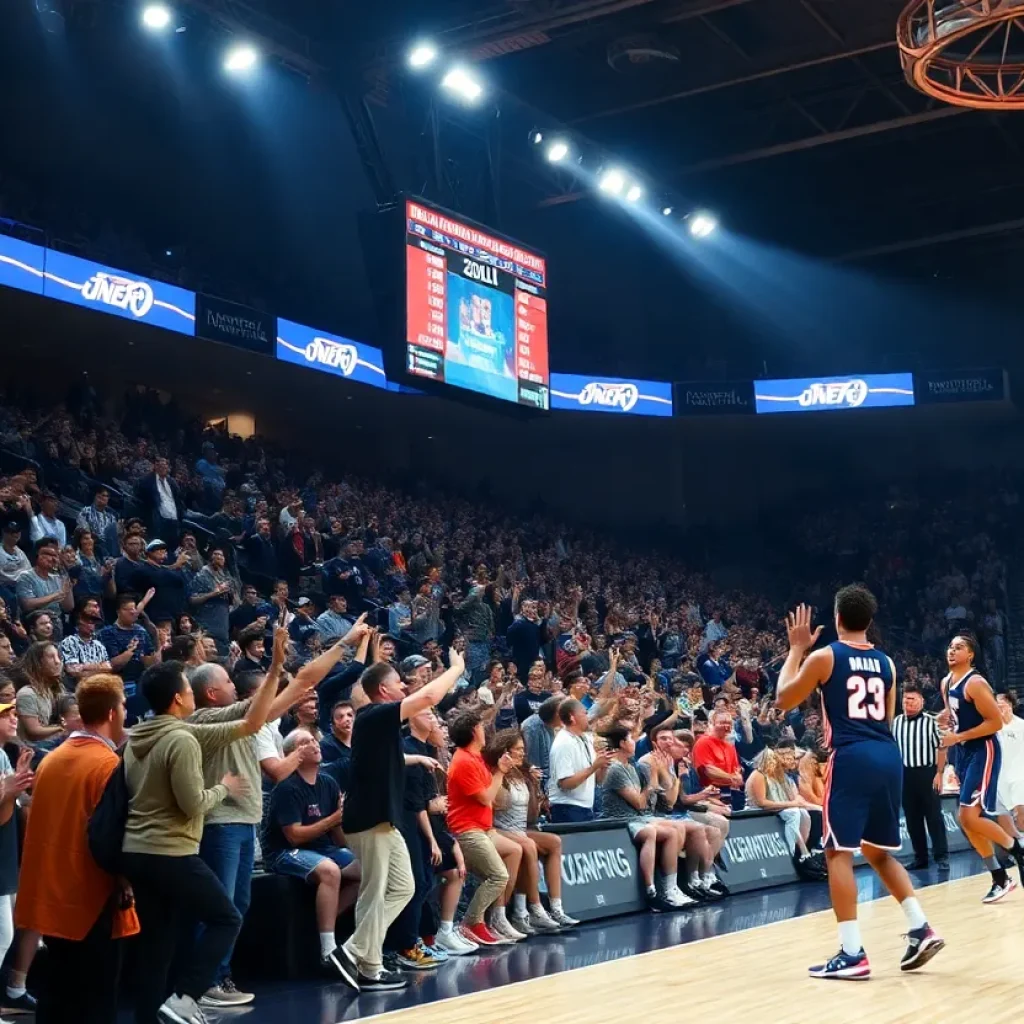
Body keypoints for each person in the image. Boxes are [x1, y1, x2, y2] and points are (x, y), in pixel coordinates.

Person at [776, 590, 944, 980]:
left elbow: (784, 699)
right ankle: (920, 927)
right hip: (888, 754)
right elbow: (885, 716)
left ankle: (852, 952)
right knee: (878, 851)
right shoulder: (887, 662)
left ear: (837, 618)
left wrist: (795, 649)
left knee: (838, 852)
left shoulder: (826, 656)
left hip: (851, 755)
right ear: (870, 620)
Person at [120, 658, 279, 1024]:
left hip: (136, 850)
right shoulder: (182, 738)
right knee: (226, 917)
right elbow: (192, 803)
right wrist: (223, 788)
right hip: (171, 849)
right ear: (178, 698)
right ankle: (189, 995)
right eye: (189, 690)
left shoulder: (136, 738)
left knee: (157, 942)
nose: (192, 695)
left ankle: (150, 1014)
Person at [334, 644, 467, 992]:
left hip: (383, 818)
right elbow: (429, 696)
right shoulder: (375, 715)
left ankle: (360, 955)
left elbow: (381, 761)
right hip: (370, 817)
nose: (404, 688)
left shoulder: (376, 724)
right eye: (398, 683)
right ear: (383, 690)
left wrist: (417, 760)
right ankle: (363, 959)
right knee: (375, 891)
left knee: (403, 887)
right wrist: (455, 669)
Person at [15, 675, 136, 1024]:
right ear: (113, 713)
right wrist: (125, 880)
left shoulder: (52, 759)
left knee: (58, 991)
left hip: (52, 894)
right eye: (124, 707)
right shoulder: (108, 765)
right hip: (91, 897)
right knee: (95, 998)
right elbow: (107, 837)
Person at [263, 729, 362, 971]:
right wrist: (334, 819)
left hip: (322, 847)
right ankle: (327, 950)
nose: (314, 744)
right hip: (283, 852)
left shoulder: (328, 782)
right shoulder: (287, 787)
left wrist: (342, 824)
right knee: (330, 871)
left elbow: (337, 839)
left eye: (313, 739)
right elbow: (294, 836)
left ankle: (317, 926)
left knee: (369, 869)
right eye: (304, 742)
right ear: (291, 754)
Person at [940, 633, 1024, 901]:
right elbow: (955, 716)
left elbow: (995, 723)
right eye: (951, 647)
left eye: (959, 647)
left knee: (968, 817)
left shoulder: (975, 683)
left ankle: (1016, 851)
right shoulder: (945, 683)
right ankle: (1000, 876)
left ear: (971, 654)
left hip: (984, 750)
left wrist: (959, 736)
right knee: (968, 822)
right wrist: (947, 720)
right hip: (963, 753)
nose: (952, 651)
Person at [486, 729, 579, 933]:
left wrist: (535, 788)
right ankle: (531, 910)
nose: (522, 753)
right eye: (518, 749)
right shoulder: (495, 774)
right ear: (505, 751)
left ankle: (555, 908)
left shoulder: (522, 773)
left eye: (522, 749)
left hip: (520, 829)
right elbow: (491, 807)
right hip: (498, 828)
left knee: (553, 842)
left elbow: (530, 815)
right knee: (527, 845)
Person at [599, 724, 689, 912]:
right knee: (654, 833)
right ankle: (652, 891)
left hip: (638, 816)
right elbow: (640, 802)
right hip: (621, 819)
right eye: (631, 739)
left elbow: (659, 801)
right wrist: (652, 779)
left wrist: (661, 774)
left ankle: (671, 887)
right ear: (622, 743)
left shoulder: (630, 767)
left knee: (678, 827)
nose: (635, 742)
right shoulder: (615, 769)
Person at [892, 685, 949, 871]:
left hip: (927, 773)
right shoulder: (896, 722)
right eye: (905, 699)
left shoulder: (931, 721)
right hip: (905, 774)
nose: (908, 703)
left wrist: (939, 773)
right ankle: (920, 857)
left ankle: (941, 856)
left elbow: (942, 746)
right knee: (912, 818)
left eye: (912, 699)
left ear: (921, 701)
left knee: (934, 816)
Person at [547, 698, 612, 823]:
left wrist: (602, 766)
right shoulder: (563, 743)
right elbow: (565, 784)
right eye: (584, 713)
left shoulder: (586, 738)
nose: (588, 717)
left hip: (586, 807)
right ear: (572, 717)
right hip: (567, 809)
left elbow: (597, 780)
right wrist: (593, 767)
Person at [97, 594, 159, 722]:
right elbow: (111, 665)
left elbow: (149, 661)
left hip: (142, 679)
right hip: (121, 680)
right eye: (128, 609)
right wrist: (129, 651)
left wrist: (157, 650)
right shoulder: (107, 633)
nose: (132, 612)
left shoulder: (141, 631)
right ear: (118, 612)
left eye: (134, 608)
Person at [16, 539, 72, 642]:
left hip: (56, 622)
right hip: (35, 622)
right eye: (47, 554)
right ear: (37, 555)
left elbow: (68, 607)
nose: (52, 558)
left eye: (55, 555)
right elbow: (27, 604)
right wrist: (55, 595)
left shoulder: (57, 578)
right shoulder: (26, 576)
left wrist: (65, 572)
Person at [691, 709, 743, 808]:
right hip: (709, 794)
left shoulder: (730, 746)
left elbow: (736, 769)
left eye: (729, 723)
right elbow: (708, 770)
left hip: (730, 792)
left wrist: (738, 777)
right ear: (712, 723)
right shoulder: (703, 742)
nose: (727, 726)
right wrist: (731, 777)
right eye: (722, 722)